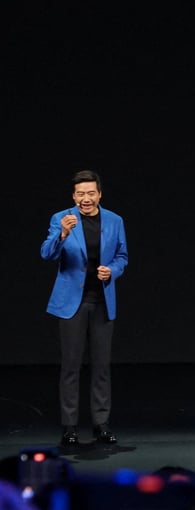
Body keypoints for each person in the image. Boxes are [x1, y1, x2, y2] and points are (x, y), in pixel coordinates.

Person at [40, 169, 128, 448]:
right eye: (80, 194)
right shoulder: (61, 218)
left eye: (91, 193)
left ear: (99, 194)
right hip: (72, 303)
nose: (85, 199)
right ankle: (70, 427)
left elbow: (122, 256)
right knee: (71, 366)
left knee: (101, 366)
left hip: (102, 301)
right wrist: (63, 233)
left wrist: (111, 271)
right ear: (74, 196)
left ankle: (101, 425)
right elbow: (47, 253)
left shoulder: (114, 220)